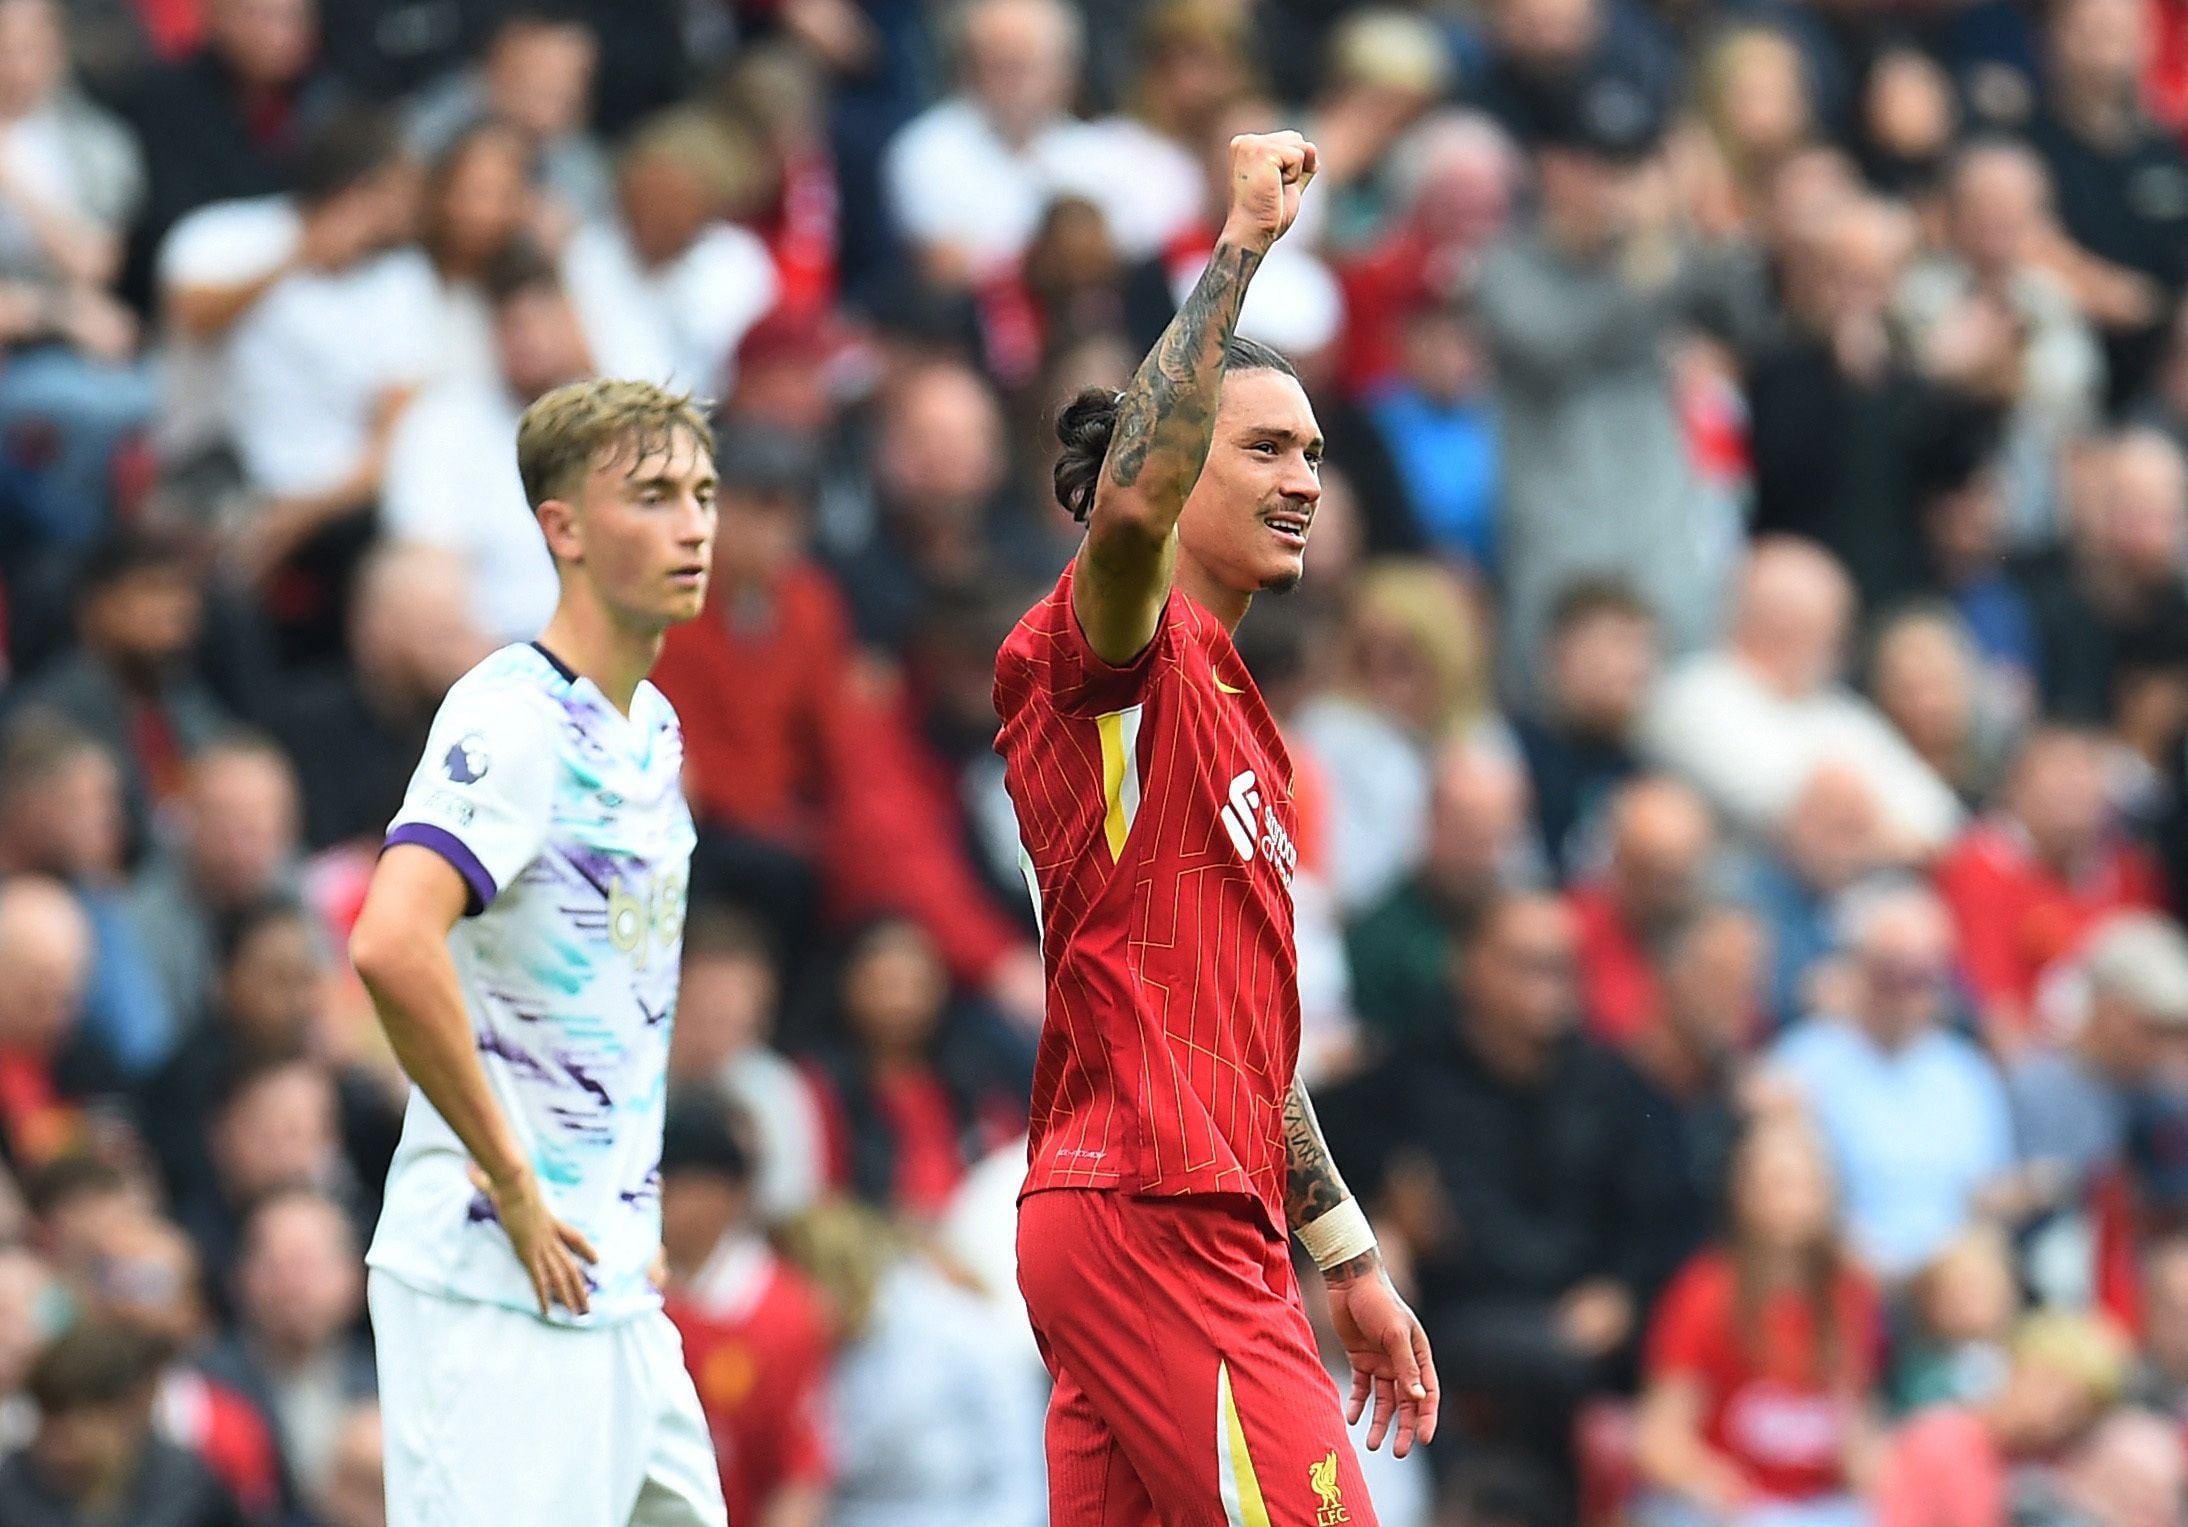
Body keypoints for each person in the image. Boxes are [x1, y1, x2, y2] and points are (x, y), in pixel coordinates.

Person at [991, 131, 1437, 1525]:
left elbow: (1231, 1029)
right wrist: (1240, 247)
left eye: (1313, 450)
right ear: (1180, 461)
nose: (1306, 476)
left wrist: (1342, 1246)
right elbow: (1126, 506)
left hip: (1174, 1204)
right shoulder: (1112, 650)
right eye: (1263, 447)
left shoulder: (1239, 712)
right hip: (1155, 1210)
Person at [345, 377, 729, 1526]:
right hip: (489, 1279)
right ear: (560, 527)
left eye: (704, 494)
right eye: (654, 496)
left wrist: (624, 1209)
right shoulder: (510, 715)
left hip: (610, 1284)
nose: (694, 524)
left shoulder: (652, 727)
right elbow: (389, 941)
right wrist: (514, 1180)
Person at [1633, 1119, 1883, 1527]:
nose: (1791, 1200)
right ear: (1743, 1192)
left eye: (1805, 1183)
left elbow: (1854, 1426)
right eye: (1778, 1182)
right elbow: (1659, 1438)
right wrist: (1711, 1484)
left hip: (1821, 1508)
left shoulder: (1849, 1295)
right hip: (1726, 1510)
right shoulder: (1704, 1292)